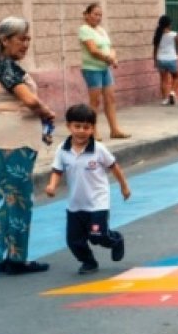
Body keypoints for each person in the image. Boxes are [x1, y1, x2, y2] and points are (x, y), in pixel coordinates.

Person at [0, 16, 56, 275]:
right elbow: (29, 100)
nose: (26, 44)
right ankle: (17, 259)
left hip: (1, 138)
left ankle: (1, 254)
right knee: (19, 198)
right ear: (5, 39)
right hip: (15, 139)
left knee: (3, 198)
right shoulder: (7, 67)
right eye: (21, 39)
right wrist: (46, 111)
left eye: (28, 39)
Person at [44, 104, 130, 275]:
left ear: (92, 129)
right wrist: (52, 185)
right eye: (77, 126)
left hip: (98, 202)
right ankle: (88, 262)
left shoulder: (99, 149)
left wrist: (124, 186)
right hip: (75, 204)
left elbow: (114, 167)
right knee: (74, 240)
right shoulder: (63, 149)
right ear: (69, 126)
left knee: (97, 236)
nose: (81, 131)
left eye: (86, 127)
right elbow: (57, 170)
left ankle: (115, 240)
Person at [78, 3, 128, 139]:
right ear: (87, 15)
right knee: (95, 101)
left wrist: (113, 57)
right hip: (92, 69)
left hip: (105, 68)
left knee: (111, 98)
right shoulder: (85, 29)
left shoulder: (101, 30)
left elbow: (110, 47)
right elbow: (93, 50)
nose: (98, 17)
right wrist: (109, 59)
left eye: (100, 15)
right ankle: (92, 130)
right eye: (95, 14)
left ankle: (114, 129)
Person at [152, 15, 178, 106]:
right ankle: (172, 92)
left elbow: (155, 49)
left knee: (163, 80)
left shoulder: (158, 36)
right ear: (168, 24)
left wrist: (155, 60)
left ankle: (164, 99)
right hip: (171, 58)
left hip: (161, 59)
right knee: (176, 77)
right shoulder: (173, 34)